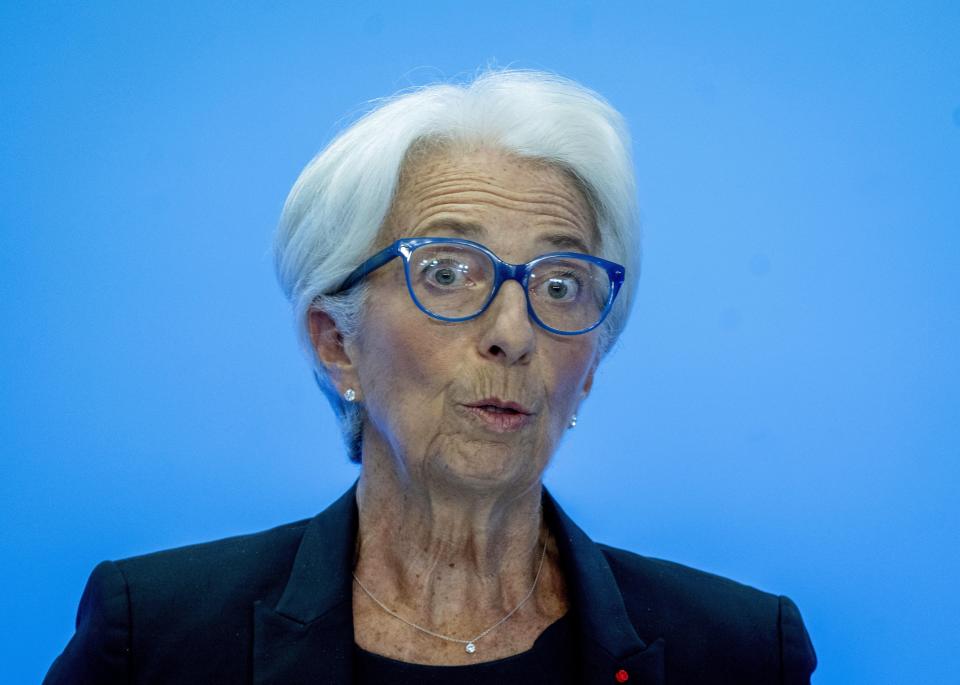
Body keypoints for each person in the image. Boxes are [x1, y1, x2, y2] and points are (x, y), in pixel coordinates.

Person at [44, 69, 817, 685]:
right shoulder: (154, 637)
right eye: (447, 272)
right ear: (335, 342)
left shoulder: (741, 652)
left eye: (558, 284)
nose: (514, 334)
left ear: (589, 369)